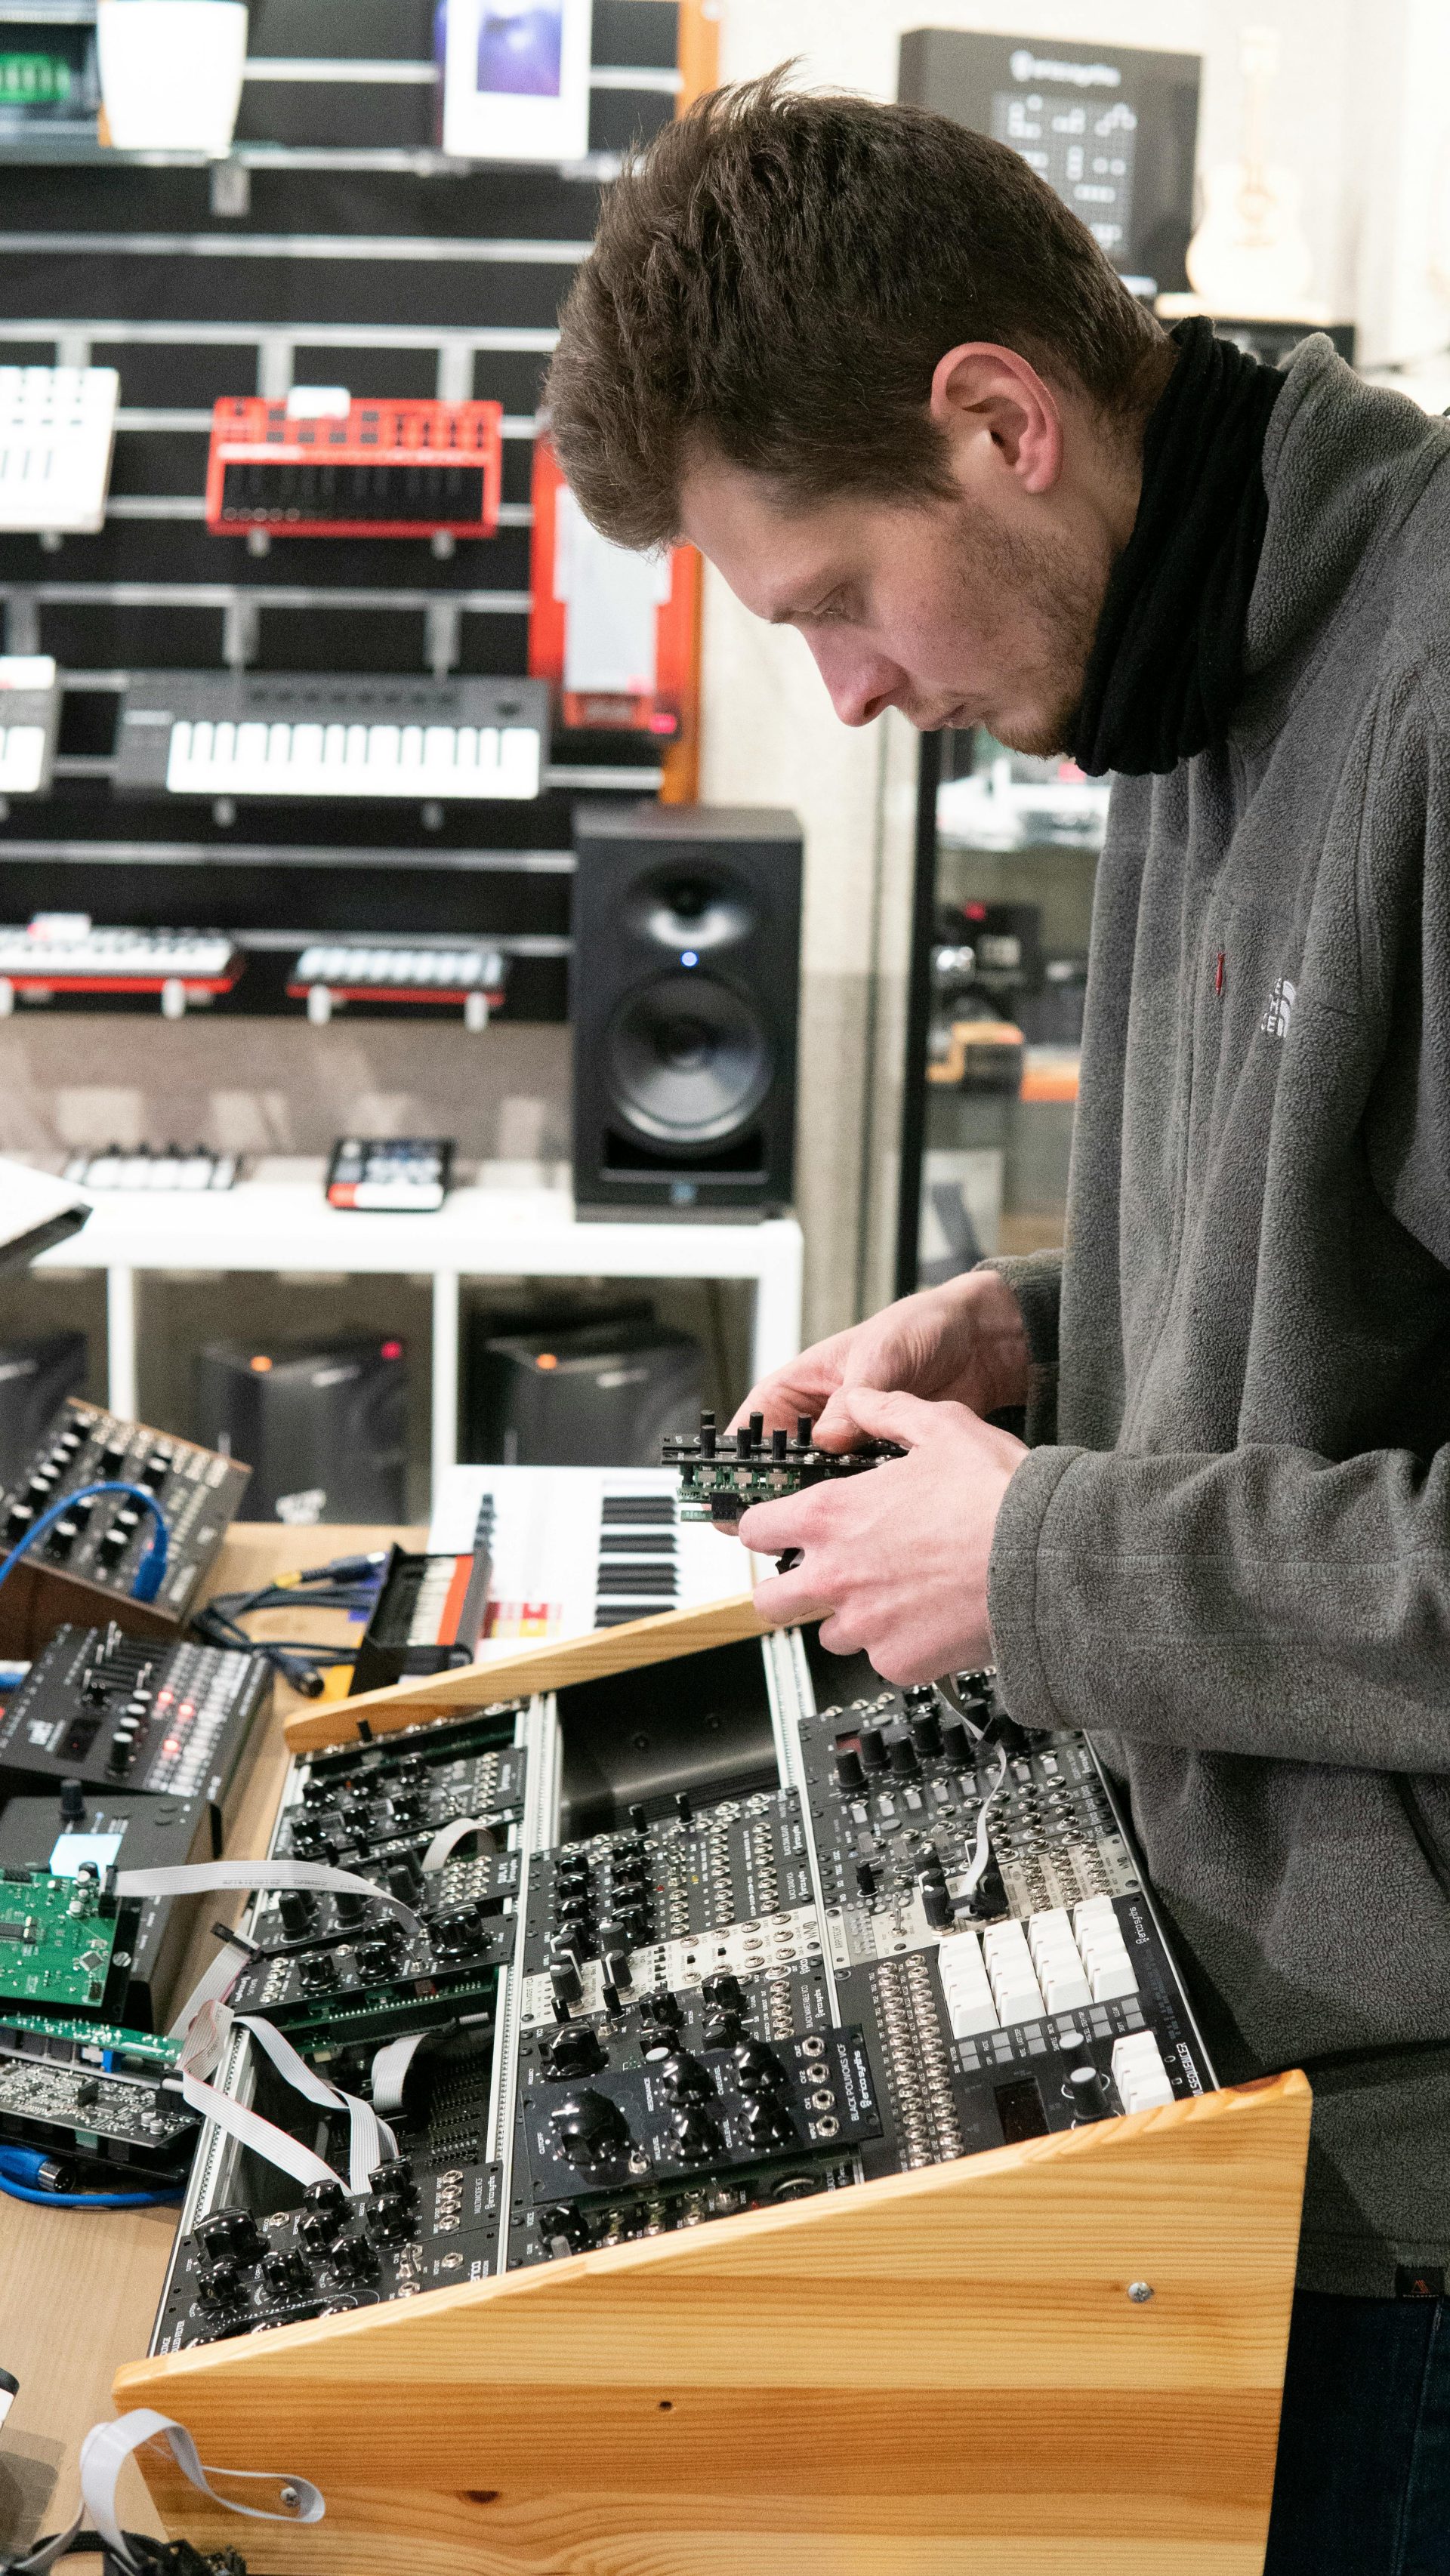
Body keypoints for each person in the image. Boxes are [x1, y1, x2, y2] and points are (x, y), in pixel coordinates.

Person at [544, 69, 1450, 2571]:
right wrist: (1033, 1331)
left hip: (1410, 2181)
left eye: (833, 596)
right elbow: (1367, 1269)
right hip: (1252, 2079)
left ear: (998, 422)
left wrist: (1046, 1562)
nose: (837, 692)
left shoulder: (1431, 693)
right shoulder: (1175, 661)